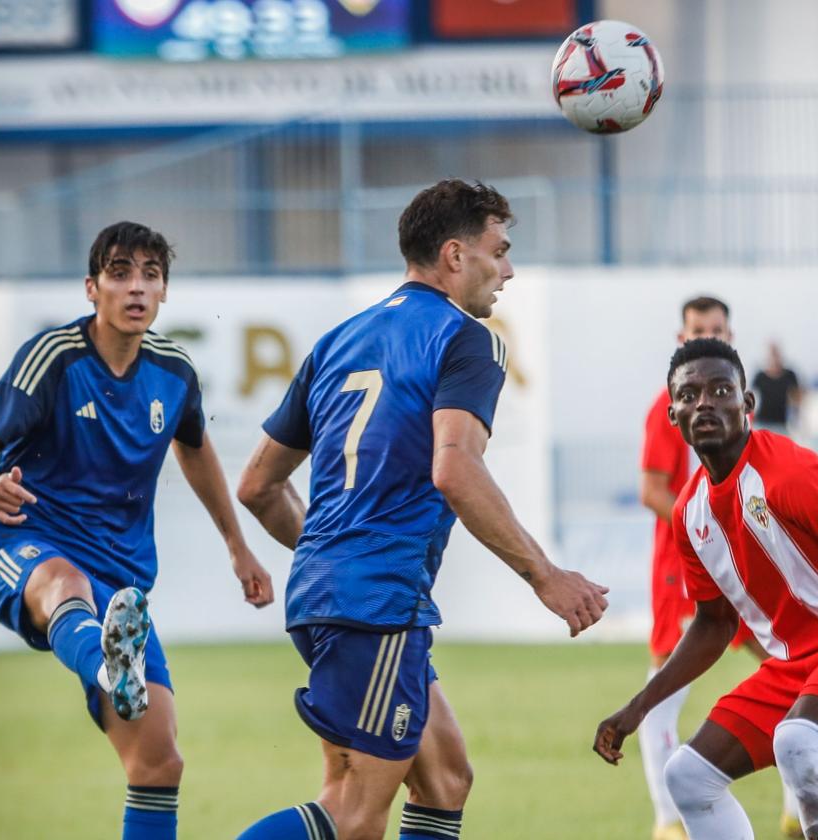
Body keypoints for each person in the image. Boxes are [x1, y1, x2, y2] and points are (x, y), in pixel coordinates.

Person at [234, 179, 610, 840]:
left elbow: (258, 488)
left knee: (444, 780)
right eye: (501, 249)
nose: (510, 269)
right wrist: (545, 575)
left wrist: (333, 553)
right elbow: (455, 469)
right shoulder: (466, 339)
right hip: (376, 605)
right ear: (456, 255)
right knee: (352, 812)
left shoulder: (337, 342)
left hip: (329, 594)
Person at [0, 221, 274, 840]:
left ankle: (111, 659)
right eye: (121, 272)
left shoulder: (174, 372)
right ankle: (107, 668)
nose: (136, 288)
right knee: (65, 582)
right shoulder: (55, 357)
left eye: (151, 275)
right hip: (29, 544)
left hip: (120, 588)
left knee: (159, 763)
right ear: (92, 288)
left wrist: (239, 550)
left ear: (164, 294)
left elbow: (197, 451)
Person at [596, 338, 818, 840]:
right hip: (798, 665)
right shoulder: (688, 512)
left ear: (748, 404)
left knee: (796, 741)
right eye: (690, 395)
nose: (705, 403)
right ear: (673, 416)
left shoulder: (791, 473)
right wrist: (639, 706)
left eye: (721, 390)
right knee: (687, 776)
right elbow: (715, 625)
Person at [639, 301, 818, 840]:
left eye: (717, 331)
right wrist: (708, 528)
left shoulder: (764, 444)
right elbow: (652, 490)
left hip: (746, 563)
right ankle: (668, 822)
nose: (703, 403)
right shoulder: (668, 408)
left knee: (795, 668)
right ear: (681, 335)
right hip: (689, 565)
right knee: (664, 687)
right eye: (698, 331)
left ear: (731, 337)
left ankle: (798, 806)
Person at [752, 342, 801, 433]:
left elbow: (797, 398)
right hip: (762, 423)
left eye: (776, 354)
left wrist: (796, 419)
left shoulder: (790, 375)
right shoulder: (760, 377)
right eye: (772, 354)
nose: (774, 358)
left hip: (781, 424)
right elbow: (753, 399)